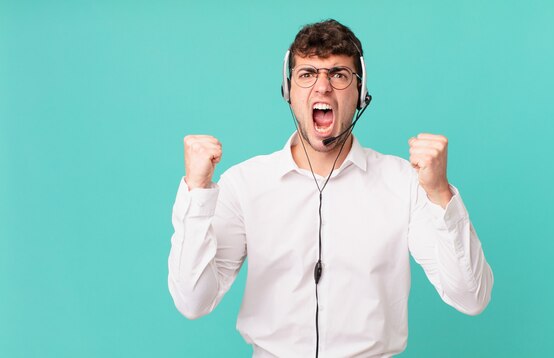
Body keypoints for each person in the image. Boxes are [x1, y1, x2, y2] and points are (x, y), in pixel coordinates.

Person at [168, 19, 493, 357]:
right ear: (288, 91)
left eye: (338, 74)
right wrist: (197, 191)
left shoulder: (404, 183)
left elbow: (472, 298)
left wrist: (440, 193)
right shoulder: (244, 184)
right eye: (307, 74)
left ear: (360, 92)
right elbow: (193, 301)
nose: (322, 88)